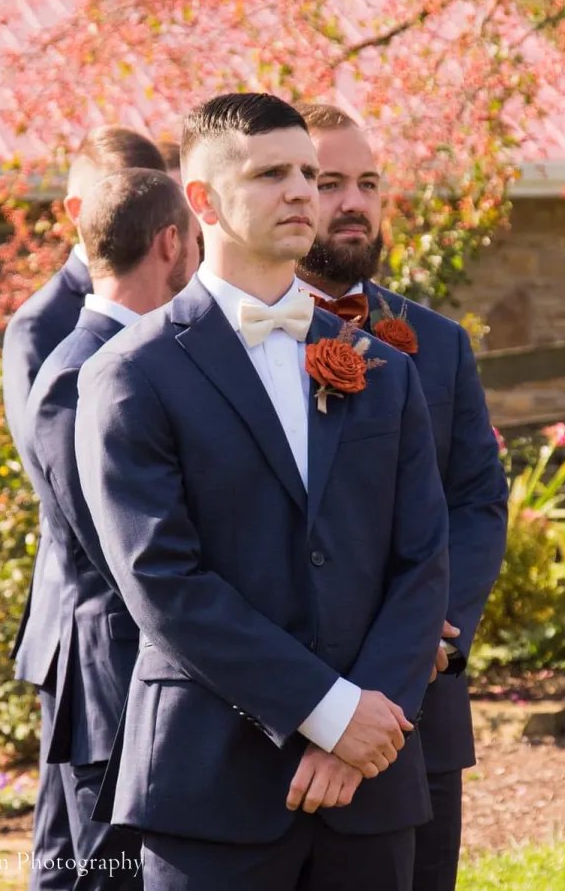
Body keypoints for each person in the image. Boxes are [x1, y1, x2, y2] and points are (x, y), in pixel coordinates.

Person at [75, 93, 450, 891]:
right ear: (202, 200)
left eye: (309, 174)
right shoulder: (129, 374)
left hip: (372, 790)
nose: (301, 193)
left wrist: (362, 726)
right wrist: (325, 712)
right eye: (270, 173)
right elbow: (161, 581)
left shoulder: (382, 369)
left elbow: (421, 557)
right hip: (210, 789)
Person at [295, 102, 508, 891]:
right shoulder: (234, 344)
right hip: (280, 719)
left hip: (421, 709)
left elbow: (477, 501)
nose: (352, 201)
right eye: (327, 182)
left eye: (368, 183)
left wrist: (433, 638)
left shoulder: (437, 343)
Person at [23, 169, 200, 889]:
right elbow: (119, 552)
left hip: (155, 673)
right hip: (117, 683)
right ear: (168, 243)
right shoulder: (77, 371)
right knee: (111, 879)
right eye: (195, 238)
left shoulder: (150, 356)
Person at [2, 127, 166, 890]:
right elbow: (62, 481)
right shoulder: (46, 326)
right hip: (84, 618)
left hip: (120, 619)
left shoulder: (169, 309)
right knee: (79, 847)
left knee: (78, 848)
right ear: (79, 207)